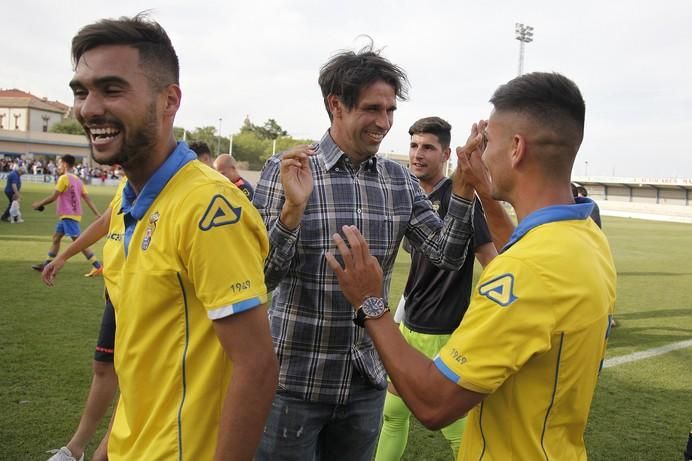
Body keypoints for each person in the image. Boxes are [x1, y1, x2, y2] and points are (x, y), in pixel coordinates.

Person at [325, 72, 617, 461]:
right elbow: (528, 249)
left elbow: (433, 403)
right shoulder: (585, 235)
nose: (478, 152)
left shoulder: (527, 274)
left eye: (487, 142)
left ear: (516, 149)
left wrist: (370, 302)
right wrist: (486, 194)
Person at [68, 14, 278, 460]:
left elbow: (256, 367)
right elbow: (148, 364)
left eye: (112, 89)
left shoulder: (208, 207)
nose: (88, 108)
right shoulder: (129, 196)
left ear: (169, 101)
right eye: (82, 91)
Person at [253, 43, 476, 461]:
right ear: (336, 105)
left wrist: (462, 190)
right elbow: (260, 278)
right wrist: (291, 211)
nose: (385, 122)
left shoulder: (399, 181)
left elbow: (446, 254)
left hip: (364, 384)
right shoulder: (285, 171)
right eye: (373, 109)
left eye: (390, 110)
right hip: (293, 383)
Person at [374, 117, 497, 461]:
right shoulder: (410, 199)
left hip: (444, 332)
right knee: (393, 414)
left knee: (456, 430)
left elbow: (493, 262)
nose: (418, 154)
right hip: (411, 326)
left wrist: (485, 319)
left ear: (445, 154)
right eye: (413, 146)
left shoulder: (462, 202)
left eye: (428, 147)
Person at [43, 196, 120, 461]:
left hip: (148, 300)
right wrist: (64, 256)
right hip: (116, 295)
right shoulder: (128, 183)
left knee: (135, 377)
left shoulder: (174, 181)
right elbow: (104, 222)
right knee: (103, 366)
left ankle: (104, 453)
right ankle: (75, 449)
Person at [31, 155, 103, 277]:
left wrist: (39, 203)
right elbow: (87, 198)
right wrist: (97, 213)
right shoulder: (78, 180)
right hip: (70, 215)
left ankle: (98, 266)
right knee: (56, 238)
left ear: (64, 164)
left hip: (68, 215)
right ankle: (47, 264)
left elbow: (54, 197)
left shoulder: (64, 178)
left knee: (79, 242)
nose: (58, 166)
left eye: (59, 164)